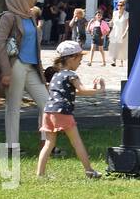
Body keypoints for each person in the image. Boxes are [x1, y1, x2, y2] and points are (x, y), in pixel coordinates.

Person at [0, 0, 50, 154]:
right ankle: (12, 146)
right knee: (13, 106)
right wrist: (6, 71)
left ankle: (46, 144)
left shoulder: (30, 16)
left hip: (32, 66)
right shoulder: (8, 17)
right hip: (16, 65)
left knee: (47, 104)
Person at [37, 40, 103, 178]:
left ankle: (40, 174)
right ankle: (89, 170)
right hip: (62, 112)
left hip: (48, 111)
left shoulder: (56, 75)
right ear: (72, 58)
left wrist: (91, 88)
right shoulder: (71, 75)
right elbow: (82, 90)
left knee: (48, 144)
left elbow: (71, 91)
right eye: (80, 58)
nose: (80, 62)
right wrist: (99, 89)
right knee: (76, 142)